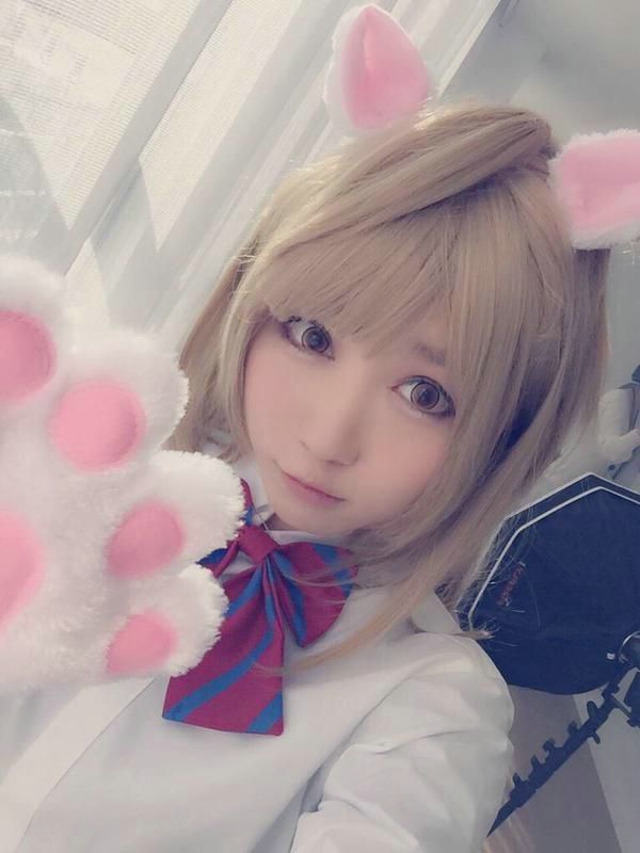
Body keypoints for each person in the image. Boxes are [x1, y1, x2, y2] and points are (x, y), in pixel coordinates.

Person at [1, 5, 635, 852]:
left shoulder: (431, 704)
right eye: (312, 335)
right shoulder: (91, 475)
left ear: (502, 439)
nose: (330, 434)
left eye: (425, 393)